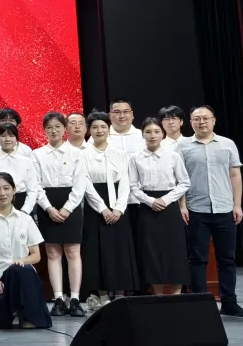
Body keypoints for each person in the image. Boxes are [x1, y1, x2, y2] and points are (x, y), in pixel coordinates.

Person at [177, 106, 243, 317]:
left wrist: (237, 204)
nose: (201, 122)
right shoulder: (182, 146)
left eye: (205, 118)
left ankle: (229, 302)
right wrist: (182, 206)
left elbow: (235, 175)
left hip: (224, 208)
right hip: (195, 209)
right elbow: (179, 179)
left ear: (214, 120)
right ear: (191, 122)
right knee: (197, 259)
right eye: (197, 119)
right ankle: (201, 304)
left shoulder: (227, 144)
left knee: (227, 259)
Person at [0, 172, 51, 329]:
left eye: (6, 188)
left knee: (21, 269)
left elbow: (36, 255)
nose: (2, 193)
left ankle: (29, 317)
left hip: (22, 276)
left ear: (14, 190)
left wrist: (22, 261)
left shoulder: (26, 219)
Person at [32, 112, 88, 317]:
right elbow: (35, 185)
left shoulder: (77, 154)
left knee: (73, 252)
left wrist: (67, 209)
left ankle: (75, 298)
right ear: (44, 130)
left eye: (57, 127)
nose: (53, 131)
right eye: (49, 127)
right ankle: (58, 298)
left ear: (65, 129)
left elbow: (80, 186)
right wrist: (48, 208)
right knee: (53, 253)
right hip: (47, 204)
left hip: (70, 205)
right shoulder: (37, 154)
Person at [81, 112, 139, 311]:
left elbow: (125, 181)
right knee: (97, 251)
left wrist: (119, 208)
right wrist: (103, 208)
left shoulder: (119, 154)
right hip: (95, 208)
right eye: (95, 127)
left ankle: (121, 294)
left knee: (119, 250)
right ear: (89, 130)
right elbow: (85, 184)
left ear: (109, 129)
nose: (99, 131)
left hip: (118, 208)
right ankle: (103, 295)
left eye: (103, 127)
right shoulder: (83, 154)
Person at [129, 118, 191, 296]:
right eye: (148, 132)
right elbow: (132, 186)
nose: (152, 135)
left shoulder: (173, 156)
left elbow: (184, 182)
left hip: (169, 207)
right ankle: (158, 297)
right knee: (152, 252)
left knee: (175, 251)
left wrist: (166, 199)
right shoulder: (135, 158)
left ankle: (176, 296)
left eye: (156, 131)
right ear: (142, 135)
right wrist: (150, 201)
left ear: (162, 134)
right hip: (147, 208)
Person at [0, 123, 40, 214]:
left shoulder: (27, 161)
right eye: (3, 136)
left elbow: (33, 189)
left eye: (12, 136)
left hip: (22, 204)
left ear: (16, 139)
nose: (7, 139)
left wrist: (25, 211)